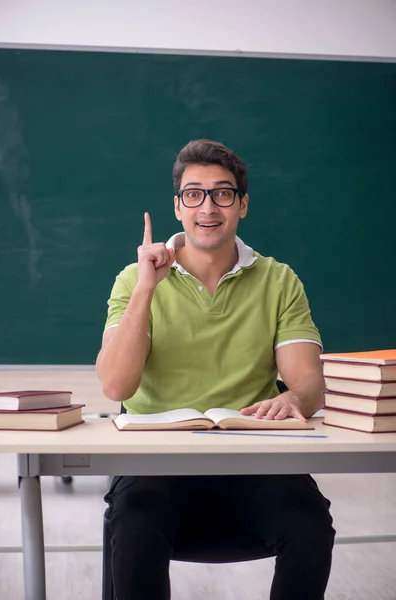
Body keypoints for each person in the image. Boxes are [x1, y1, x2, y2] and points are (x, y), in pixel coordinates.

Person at [97, 139, 335, 600]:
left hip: (255, 460)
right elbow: (115, 385)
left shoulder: (279, 280)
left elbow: (309, 385)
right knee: (134, 523)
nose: (208, 207)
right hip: (157, 466)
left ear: (242, 204)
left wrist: (294, 397)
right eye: (194, 194)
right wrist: (147, 290)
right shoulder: (133, 279)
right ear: (178, 206)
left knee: (309, 523)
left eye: (223, 193)